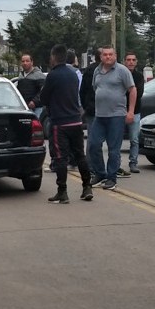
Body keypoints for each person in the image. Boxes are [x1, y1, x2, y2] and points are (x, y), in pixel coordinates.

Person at [34, 44, 94, 203]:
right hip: (75, 120)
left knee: (60, 157)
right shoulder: (73, 74)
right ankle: (87, 187)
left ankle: (62, 191)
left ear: (53, 57)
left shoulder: (53, 75)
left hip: (60, 122)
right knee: (80, 155)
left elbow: (44, 97)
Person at [88, 45, 136, 190]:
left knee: (113, 149)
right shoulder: (97, 70)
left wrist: (131, 111)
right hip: (100, 116)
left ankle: (111, 178)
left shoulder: (122, 70)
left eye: (110, 54)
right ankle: (100, 173)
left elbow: (132, 90)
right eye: (105, 55)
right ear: (101, 57)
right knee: (93, 145)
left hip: (116, 116)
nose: (108, 57)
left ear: (115, 56)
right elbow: (96, 88)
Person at [118, 51, 145, 177]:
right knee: (116, 139)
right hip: (119, 112)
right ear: (124, 61)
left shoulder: (139, 76)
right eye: (128, 60)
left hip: (135, 112)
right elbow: (118, 92)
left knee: (134, 139)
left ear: (136, 62)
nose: (131, 62)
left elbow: (138, 93)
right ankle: (116, 164)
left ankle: (133, 163)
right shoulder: (120, 74)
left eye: (133, 60)